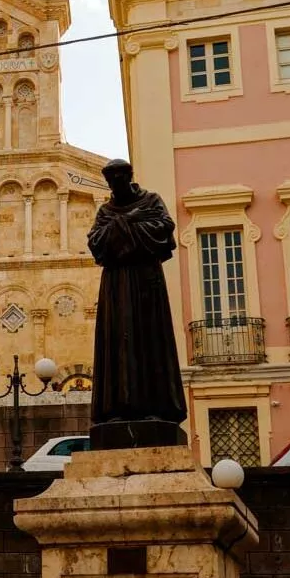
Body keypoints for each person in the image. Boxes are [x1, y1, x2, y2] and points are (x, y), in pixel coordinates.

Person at [88, 159, 187, 441]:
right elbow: (96, 242)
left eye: (119, 179)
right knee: (118, 342)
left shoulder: (151, 200)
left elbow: (164, 230)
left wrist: (123, 228)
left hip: (146, 283)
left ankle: (155, 406)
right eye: (111, 182)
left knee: (149, 340)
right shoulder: (105, 210)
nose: (115, 186)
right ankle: (115, 408)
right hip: (116, 286)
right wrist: (129, 225)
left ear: (129, 177)